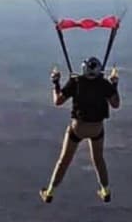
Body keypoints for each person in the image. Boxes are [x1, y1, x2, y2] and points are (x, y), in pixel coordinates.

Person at [39, 56, 121, 204]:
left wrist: (56, 83)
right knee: (98, 159)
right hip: (96, 129)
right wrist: (114, 85)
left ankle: (50, 192)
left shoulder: (76, 82)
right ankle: (105, 190)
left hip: (78, 128)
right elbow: (115, 104)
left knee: (64, 160)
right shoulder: (103, 84)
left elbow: (58, 101)